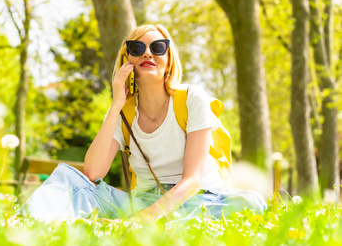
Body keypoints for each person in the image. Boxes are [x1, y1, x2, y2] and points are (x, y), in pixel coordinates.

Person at [19, 24, 266, 223]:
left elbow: (192, 180)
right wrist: (116, 105)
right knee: (68, 178)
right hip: (141, 202)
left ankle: (152, 224)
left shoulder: (192, 99)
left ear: (168, 60)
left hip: (196, 200)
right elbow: (92, 173)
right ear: (128, 59)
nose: (148, 53)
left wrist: (143, 220)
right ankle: (27, 229)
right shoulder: (122, 111)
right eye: (137, 47)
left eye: (158, 47)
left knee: (251, 203)